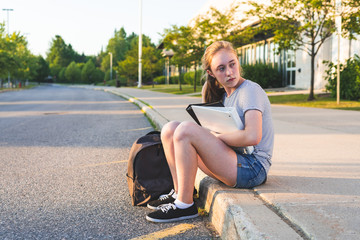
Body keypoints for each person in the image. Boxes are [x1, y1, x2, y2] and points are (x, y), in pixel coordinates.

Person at [146, 41, 274, 223]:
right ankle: (180, 193)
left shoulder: (250, 91)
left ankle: (185, 205)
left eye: (232, 64)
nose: (229, 72)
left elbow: (253, 136)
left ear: (238, 62)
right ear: (211, 73)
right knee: (169, 129)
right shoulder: (223, 95)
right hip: (234, 160)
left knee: (185, 130)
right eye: (221, 68)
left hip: (253, 168)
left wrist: (217, 138)